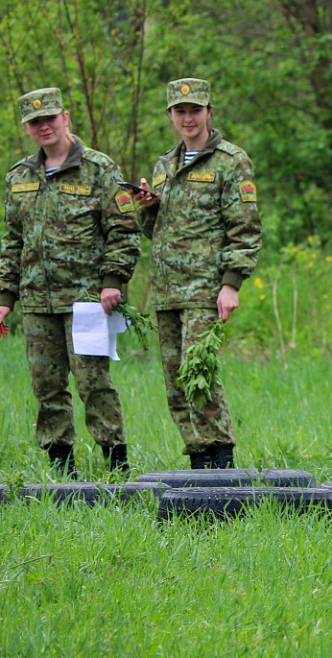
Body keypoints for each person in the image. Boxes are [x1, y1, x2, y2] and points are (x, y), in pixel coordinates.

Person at [0, 87, 141, 477]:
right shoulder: (19, 176)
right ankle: (62, 470)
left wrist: (113, 280)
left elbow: (124, 230)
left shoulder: (99, 168)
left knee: (93, 383)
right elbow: (12, 240)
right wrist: (5, 296)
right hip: (37, 303)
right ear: (27, 127)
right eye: (35, 122)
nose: (44, 126)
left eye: (50, 118)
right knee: (46, 386)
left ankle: (117, 465)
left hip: (87, 300)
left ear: (65, 117)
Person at [130, 78, 262, 469]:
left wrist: (230, 284)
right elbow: (156, 230)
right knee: (174, 382)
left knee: (198, 373)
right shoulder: (164, 164)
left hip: (207, 289)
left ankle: (221, 464)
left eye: (195, 110)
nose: (188, 118)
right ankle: (198, 463)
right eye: (180, 111)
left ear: (209, 112)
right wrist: (148, 206)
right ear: (170, 115)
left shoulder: (231, 160)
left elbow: (246, 228)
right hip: (167, 290)